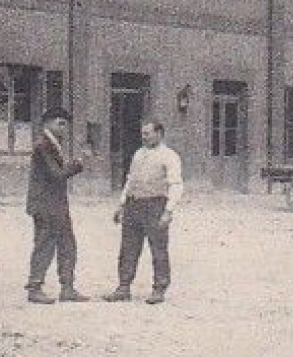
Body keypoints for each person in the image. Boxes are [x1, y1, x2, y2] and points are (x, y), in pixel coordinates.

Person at [105, 119, 183, 305]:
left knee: (158, 248)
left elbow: (176, 185)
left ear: (159, 133)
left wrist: (168, 211)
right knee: (128, 248)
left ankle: (159, 288)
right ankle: (123, 286)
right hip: (134, 205)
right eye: (143, 133)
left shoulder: (169, 156)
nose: (144, 137)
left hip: (155, 205)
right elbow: (130, 181)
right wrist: (121, 204)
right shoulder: (138, 154)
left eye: (147, 133)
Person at [25, 106, 87, 304]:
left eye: (65, 124)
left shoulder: (53, 144)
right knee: (44, 244)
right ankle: (34, 287)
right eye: (60, 123)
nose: (63, 128)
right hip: (45, 205)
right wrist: (77, 165)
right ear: (47, 124)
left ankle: (67, 287)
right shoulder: (43, 145)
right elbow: (56, 175)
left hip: (56, 204)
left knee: (68, 244)